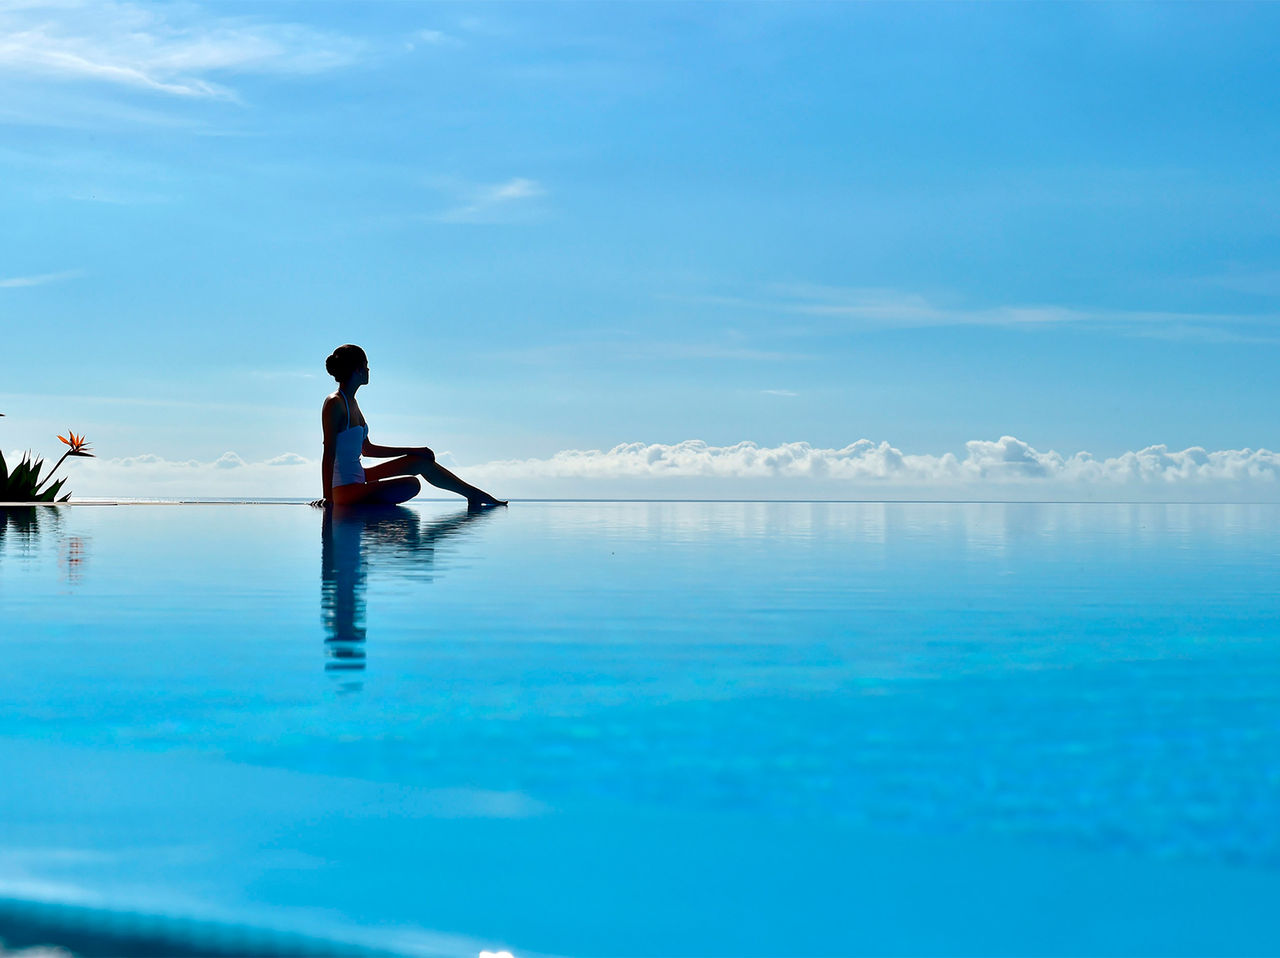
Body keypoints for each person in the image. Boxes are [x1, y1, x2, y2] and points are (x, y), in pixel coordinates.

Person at [314, 344, 506, 508]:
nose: (369, 370)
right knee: (412, 485)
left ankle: (473, 494)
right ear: (357, 369)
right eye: (366, 366)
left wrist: (414, 451)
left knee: (420, 462)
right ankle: (357, 504)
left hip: (359, 477)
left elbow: (367, 449)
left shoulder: (353, 403)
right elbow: (328, 453)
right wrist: (327, 498)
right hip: (342, 489)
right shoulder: (335, 403)